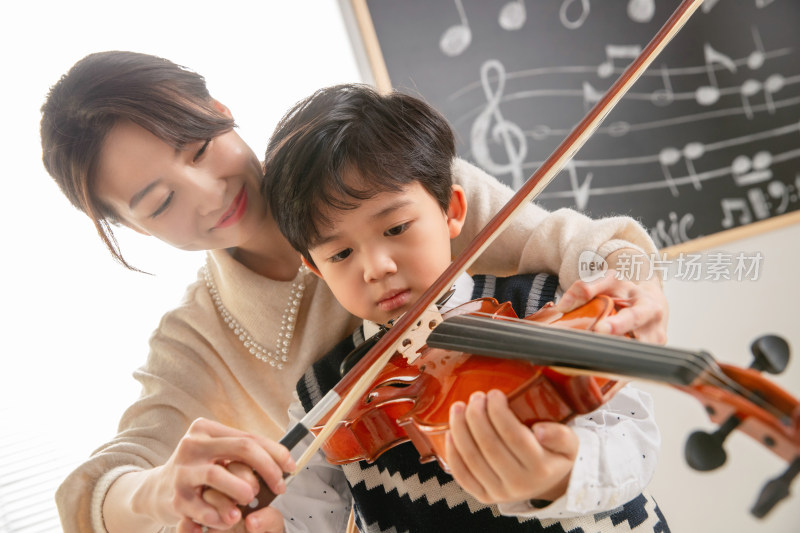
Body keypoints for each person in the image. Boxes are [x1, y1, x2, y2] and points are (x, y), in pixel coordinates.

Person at [40, 51, 667, 533]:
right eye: (160, 201)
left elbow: (580, 246)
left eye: (201, 148)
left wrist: (630, 291)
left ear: (221, 110)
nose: (210, 193)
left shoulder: (380, 172)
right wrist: (163, 491)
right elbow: (97, 487)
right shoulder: (200, 337)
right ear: (134, 228)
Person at [263, 83, 668, 532]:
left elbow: (635, 435)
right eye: (340, 255)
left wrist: (562, 473)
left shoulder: (541, 305)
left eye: (396, 227)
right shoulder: (325, 399)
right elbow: (300, 517)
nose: (376, 267)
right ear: (315, 269)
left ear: (453, 210)